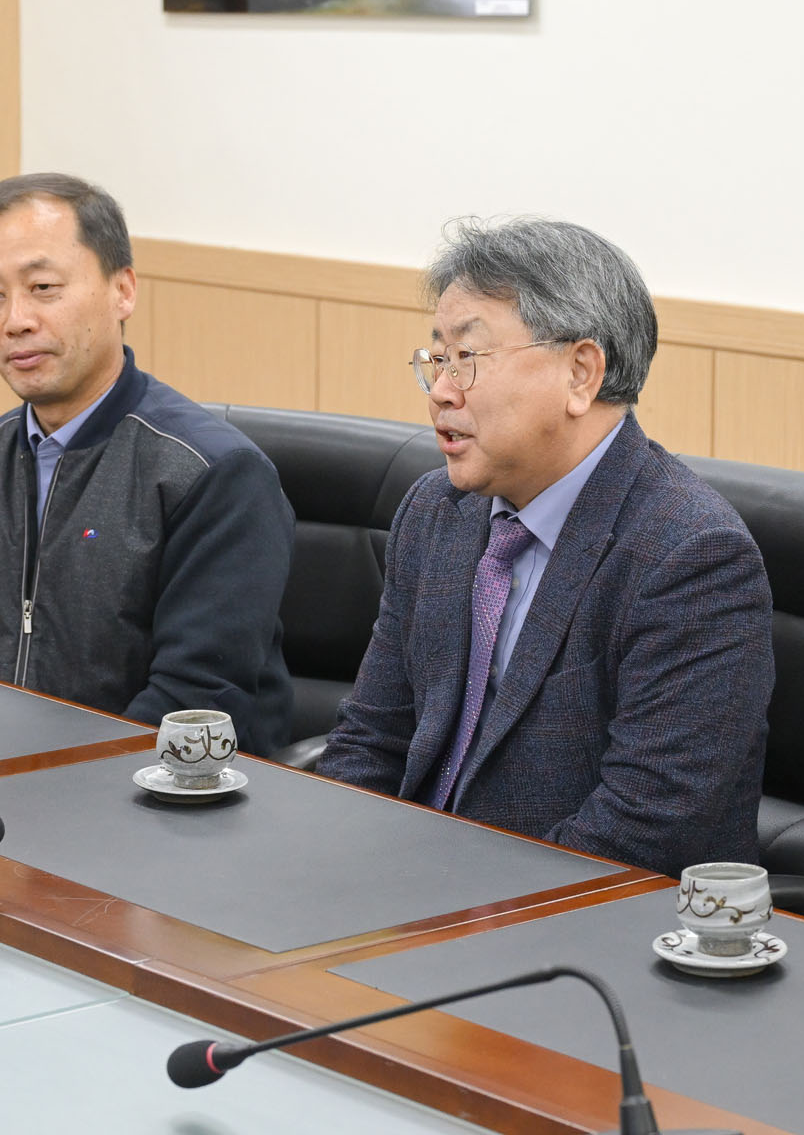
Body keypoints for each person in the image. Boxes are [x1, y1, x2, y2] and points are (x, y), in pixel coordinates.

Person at [317, 217, 774, 877]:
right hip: (405, 890)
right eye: (437, 360)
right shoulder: (437, 511)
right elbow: (372, 737)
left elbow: (641, 833)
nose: (441, 390)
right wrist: (329, 868)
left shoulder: (691, 558)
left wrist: (448, 909)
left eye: (468, 359)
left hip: (574, 920)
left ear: (580, 373)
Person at [0, 173, 294, 755]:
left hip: (158, 792)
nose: (15, 320)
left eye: (43, 287)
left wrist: (38, 786)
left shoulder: (211, 474)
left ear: (122, 290)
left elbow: (192, 705)